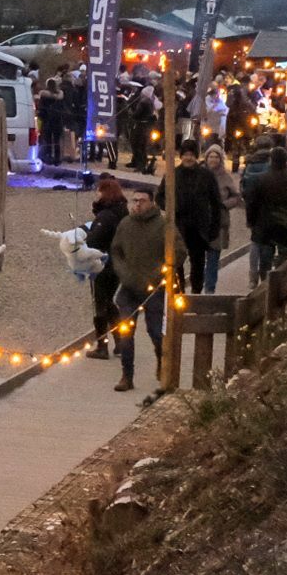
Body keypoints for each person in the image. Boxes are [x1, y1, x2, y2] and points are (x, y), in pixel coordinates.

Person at [110, 181, 171, 392]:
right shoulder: (125, 224)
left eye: (142, 201)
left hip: (153, 288)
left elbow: (177, 252)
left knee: (155, 331)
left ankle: (162, 362)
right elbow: (116, 251)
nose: (137, 205)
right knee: (126, 333)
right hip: (129, 287)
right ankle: (127, 375)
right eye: (134, 200)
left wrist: (160, 271)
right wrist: (122, 272)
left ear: (151, 203)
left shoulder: (163, 225)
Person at [171, 141, 226, 295]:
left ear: (196, 156)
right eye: (185, 155)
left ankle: (196, 293)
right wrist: (173, 207)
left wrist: (214, 227)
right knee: (177, 263)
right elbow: (161, 196)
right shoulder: (174, 174)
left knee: (197, 263)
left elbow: (216, 203)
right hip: (179, 226)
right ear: (181, 156)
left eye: (191, 155)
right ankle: (178, 293)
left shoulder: (206, 175)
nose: (188, 158)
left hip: (199, 228)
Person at [84, 172, 129, 357]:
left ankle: (102, 346)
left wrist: (85, 237)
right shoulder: (123, 211)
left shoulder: (106, 216)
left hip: (103, 265)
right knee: (110, 303)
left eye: (99, 191)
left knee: (101, 305)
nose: (96, 194)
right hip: (118, 264)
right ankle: (120, 342)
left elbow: (94, 241)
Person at [247, 146, 287, 276]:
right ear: (285, 161)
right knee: (285, 258)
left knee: (265, 259)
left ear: (271, 160)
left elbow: (252, 203)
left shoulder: (261, 180)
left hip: (265, 225)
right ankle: (284, 282)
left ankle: (265, 284)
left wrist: (251, 221)